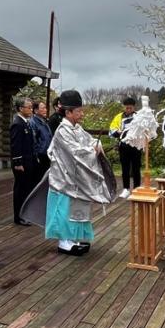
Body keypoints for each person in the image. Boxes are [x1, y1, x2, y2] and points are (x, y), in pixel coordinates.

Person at [43, 90, 116, 255]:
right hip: (64, 180)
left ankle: (74, 239)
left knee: (77, 209)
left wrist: (96, 145)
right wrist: (92, 149)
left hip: (75, 180)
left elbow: (88, 140)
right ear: (68, 112)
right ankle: (64, 241)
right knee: (64, 211)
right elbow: (75, 153)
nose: (81, 114)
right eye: (78, 111)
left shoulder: (77, 129)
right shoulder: (62, 131)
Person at [9, 96, 38, 226]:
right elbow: (16, 145)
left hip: (29, 160)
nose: (31, 110)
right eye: (29, 107)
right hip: (22, 163)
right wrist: (18, 163)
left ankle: (26, 214)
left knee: (27, 188)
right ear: (21, 108)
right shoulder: (17, 123)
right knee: (20, 189)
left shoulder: (26, 122)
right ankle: (19, 216)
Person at [109, 96, 141, 199]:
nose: (128, 110)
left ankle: (136, 188)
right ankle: (126, 189)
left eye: (130, 108)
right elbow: (112, 128)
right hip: (123, 145)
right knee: (125, 168)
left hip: (136, 145)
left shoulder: (139, 116)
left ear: (134, 107)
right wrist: (117, 132)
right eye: (127, 108)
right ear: (124, 107)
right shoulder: (119, 117)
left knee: (136, 168)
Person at [32, 101, 53, 178]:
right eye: (43, 108)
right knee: (39, 178)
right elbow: (33, 141)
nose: (45, 110)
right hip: (40, 155)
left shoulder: (44, 121)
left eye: (45, 108)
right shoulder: (33, 122)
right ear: (36, 110)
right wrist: (37, 155)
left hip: (46, 154)